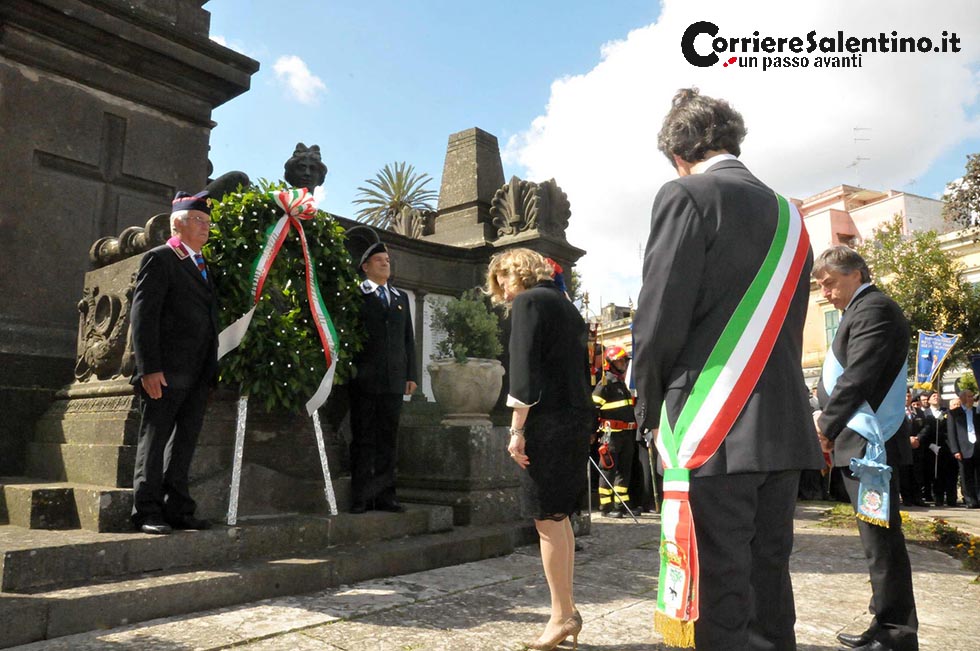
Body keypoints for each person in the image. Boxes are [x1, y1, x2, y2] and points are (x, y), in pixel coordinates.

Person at [632, 88, 822, 650]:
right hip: (781, 429)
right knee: (769, 589)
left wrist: (649, 410)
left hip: (711, 426)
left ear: (678, 155)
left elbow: (657, 321)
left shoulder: (685, 194)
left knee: (717, 594)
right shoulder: (792, 217)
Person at [812, 246, 918, 651]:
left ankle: (896, 635)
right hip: (859, 441)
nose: (825, 293)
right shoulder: (860, 310)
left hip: (871, 443)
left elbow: (858, 377)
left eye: (829, 283)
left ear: (856, 273)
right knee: (876, 540)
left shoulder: (874, 309)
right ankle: (885, 622)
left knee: (881, 543)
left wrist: (826, 426)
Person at [488, 247, 591, 651]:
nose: (505, 292)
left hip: (546, 422)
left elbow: (524, 370)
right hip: (576, 418)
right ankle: (567, 611)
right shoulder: (567, 306)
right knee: (558, 518)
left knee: (546, 521)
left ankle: (561, 616)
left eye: (505, 281)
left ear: (520, 272)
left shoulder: (529, 302)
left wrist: (516, 428)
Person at [130, 190, 218, 535]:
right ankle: (147, 510)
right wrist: (148, 368)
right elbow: (144, 316)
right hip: (165, 371)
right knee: (155, 440)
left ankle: (178, 508)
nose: (206, 227)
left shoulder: (204, 265)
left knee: (184, 444)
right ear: (177, 224)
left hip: (197, 372)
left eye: (208, 222)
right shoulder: (161, 258)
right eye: (198, 220)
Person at [346, 230, 417, 513]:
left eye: (387, 260)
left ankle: (386, 495)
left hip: (393, 380)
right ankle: (361, 496)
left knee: (388, 439)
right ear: (365, 266)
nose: (386, 263)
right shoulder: (356, 295)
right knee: (363, 438)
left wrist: (410, 374)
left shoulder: (400, 297)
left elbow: (408, 339)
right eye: (379, 260)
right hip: (364, 379)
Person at [591, 345, 637, 518]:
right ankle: (606, 507)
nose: (623, 364)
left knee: (624, 470)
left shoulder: (622, 384)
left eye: (624, 361)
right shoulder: (605, 383)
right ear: (610, 363)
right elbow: (593, 409)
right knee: (608, 469)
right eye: (619, 361)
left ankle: (621, 504)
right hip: (610, 436)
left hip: (626, 435)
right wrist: (591, 431)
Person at [921, 391, 958, 507]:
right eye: (933, 396)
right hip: (931, 448)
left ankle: (952, 498)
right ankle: (938, 497)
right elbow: (923, 431)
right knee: (936, 474)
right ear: (928, 400)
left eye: (938, 396)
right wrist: (930, 445)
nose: (936, 397)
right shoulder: (924, 413)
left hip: (946, 446)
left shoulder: (946, 412)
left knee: (950, 473)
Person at [948, 389, 980, 508]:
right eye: (969, 396)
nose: (972, 399)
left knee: (978, 475)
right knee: (966, 475)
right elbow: (952, 433)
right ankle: (970, 500)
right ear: (962, 398)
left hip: (977, 447)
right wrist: (955, 450)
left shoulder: (977, 412)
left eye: (972, 396)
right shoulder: (954, 413)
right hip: (963, 449)